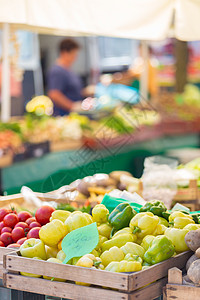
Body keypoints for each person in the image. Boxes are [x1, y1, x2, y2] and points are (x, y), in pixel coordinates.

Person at [47, 38, 83, 115]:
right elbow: (54, 94)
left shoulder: (68, 70)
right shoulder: (57, 71)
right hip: (63, 115)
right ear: (65, 53)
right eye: (74, 54)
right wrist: (72, 106)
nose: (75, 58)